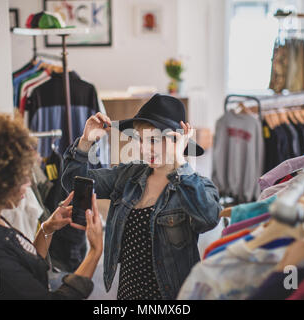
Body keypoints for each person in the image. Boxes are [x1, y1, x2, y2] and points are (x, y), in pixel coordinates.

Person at [62, 94, 221, 300]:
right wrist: (85, 142)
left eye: (153, 140)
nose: (146, 149)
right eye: (140, 140)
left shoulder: (196, 185)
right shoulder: (128, 176)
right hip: (129, 294)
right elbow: (75, 185)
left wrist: (180, 162)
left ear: (177, 140)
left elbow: (208, 218)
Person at [0, 110, 103, 299]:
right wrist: (95, 251)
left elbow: (22, 269)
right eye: (21, 175)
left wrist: (47, 228)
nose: (28, 181)